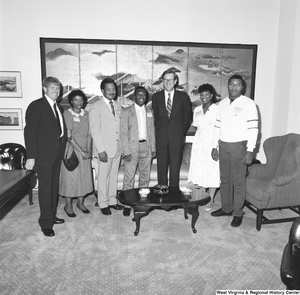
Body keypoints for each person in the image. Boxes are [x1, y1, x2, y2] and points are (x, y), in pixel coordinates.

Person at [211, 75, 258, 227]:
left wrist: (250, 150)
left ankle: (238, 213)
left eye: (238, 85)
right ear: (228, 85)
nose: (234, 87)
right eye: (232, 84)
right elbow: (217, 126)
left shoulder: (249, 104)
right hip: (223, 145)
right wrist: (214, 146)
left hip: (240, 146)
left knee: (238, 182)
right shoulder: (222, 104)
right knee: (224, 180)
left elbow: (253, 129)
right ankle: (226, 208)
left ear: (242, 88)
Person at [24, 76, 66, 237]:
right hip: (43, 156)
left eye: (58, 88)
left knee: (54, 188)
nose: (56, 91)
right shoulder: (37, 106)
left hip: (56, 154)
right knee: (45, 189)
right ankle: (46, 223)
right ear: (45, 89)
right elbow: (30, 133)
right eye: (53, 88)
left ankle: (52, 215)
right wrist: (31, 156)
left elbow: (59, 132)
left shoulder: (58, 107)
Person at [89, 78, 124, 215]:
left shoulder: (118, 105)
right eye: (108, 89)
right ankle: (103, 203)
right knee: (103, 177)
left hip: (117, 148)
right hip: (104, 149)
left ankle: (112, 200)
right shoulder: (96, 106)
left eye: (113, 89)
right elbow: (94, 130)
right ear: (102, 90)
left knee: (113, 176)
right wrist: (100, 150)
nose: (111, 91)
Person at [152, 69, 192, 187]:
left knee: (175, 168)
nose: (167, 82)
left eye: (170, 79)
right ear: (162, 81)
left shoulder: (183, 97)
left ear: (175, 81)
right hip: (161, 138)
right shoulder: (156, 97)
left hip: (177, 138)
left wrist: (179, 131)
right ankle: (162, 194)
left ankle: (174, 195)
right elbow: (155, 118)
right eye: (165, 80)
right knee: (161, 168)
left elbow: (187, 118)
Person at [120, 86, 156, 216]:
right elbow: (123, 133)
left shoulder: (150, 111)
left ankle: (142, 202)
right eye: (139, 95)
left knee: (144, 178)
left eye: (144, 95)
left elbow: (152, 131)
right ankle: (127, 204)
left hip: (146, 148)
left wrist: (153, 148)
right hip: (131, 149)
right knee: (129, 178)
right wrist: (126, 151)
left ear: (146, 97)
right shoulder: (126, 111)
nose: (141, 97)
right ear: (134, 96)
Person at [59, 90, 93, 217]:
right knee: (70, 179)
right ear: (71, 101)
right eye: (76, 100)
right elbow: (69, 137)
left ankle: (80, 203)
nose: (79, 102)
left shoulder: (87, 114)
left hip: (85, 151)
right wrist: (82, 151)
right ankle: (68, 206)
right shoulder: (67, 114)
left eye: (81, 100)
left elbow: (89, 135)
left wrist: (88, 150)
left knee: (83, 178)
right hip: (72, 151)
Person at [188, 84, 220, 211]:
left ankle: (211, 199)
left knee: (212, 171)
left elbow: (219, 129)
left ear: (212, 95)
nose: (204, 97)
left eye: (206, 94)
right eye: (202, 94)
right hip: (199, 143)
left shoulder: (217, 109)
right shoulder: (197, 110)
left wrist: (216, 146)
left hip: (212, 144)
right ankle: (201, 197)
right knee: (200, 170)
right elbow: (196, 126)